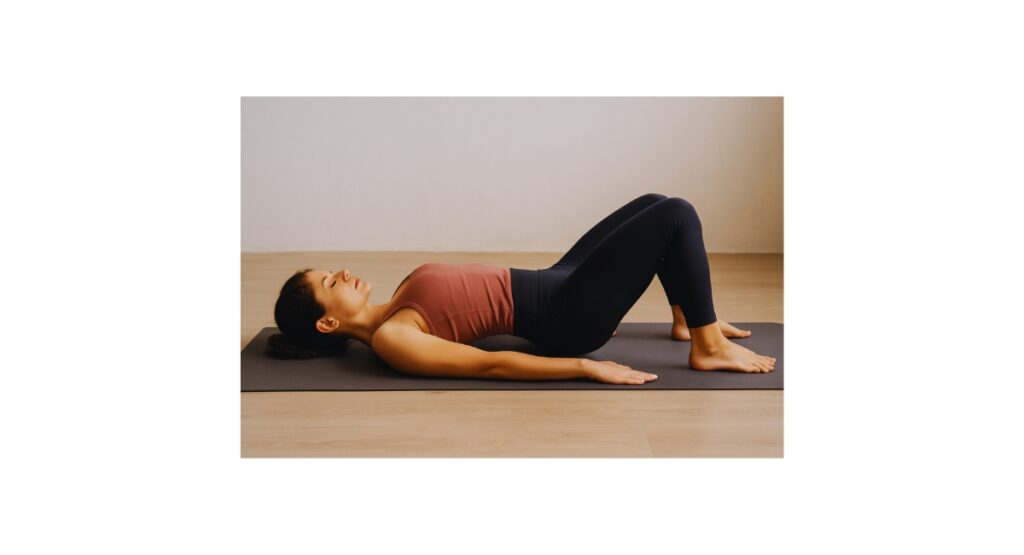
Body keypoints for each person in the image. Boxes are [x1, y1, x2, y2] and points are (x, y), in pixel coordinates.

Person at [268, 193, 776, 385]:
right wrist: (584, 366)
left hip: (554, 278)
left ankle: (688, 317)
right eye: (330, 282)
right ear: (327, 322)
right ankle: (707, 348)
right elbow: (491, 364)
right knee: (676, 215)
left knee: (654, 202)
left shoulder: (398, 301)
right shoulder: (392, 338)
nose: (341, 273)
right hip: (566, 314)